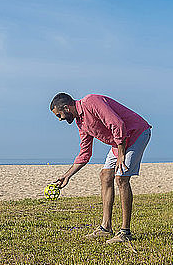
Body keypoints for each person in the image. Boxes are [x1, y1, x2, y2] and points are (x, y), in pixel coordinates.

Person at [50, 93, 151, 243]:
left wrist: (121, 154)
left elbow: (117, 124)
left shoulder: (91, 101)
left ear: (66, 107)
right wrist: (67, 176)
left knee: (121, 178)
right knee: (105, 176)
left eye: (59, 115)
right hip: (119, 141)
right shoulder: (81, 122)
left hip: (136, 134)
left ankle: (125, 232)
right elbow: (85, 153)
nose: (60, 119)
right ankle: (106, 227)